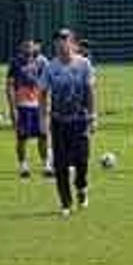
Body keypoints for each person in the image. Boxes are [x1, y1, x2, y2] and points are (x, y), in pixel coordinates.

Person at [39, 28, 96, 217]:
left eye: (65, 40)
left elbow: (89, 91)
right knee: (60, 164)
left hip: (79, 120)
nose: (61, 45)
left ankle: (81, 187)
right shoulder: (50, 67)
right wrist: (43, 118)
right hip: (59, 121)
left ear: (73, 43)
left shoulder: (84, 64)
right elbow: (43, 93)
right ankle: (65, 202)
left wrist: (92, 116)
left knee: (82, 161)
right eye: (58, 41)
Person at [4, 39, 50, 179]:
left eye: (31, 46)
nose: (29, 49)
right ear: (21, 48)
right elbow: (9, 86)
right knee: (22, 137)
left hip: (38, 104)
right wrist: (13, 108)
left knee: (43, 135)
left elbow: (46, 85)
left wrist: (47, 104)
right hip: (22, 105)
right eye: (26, 46)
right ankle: (23, 166)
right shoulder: (15, 63)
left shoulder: (41, 62)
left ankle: (46, 165)